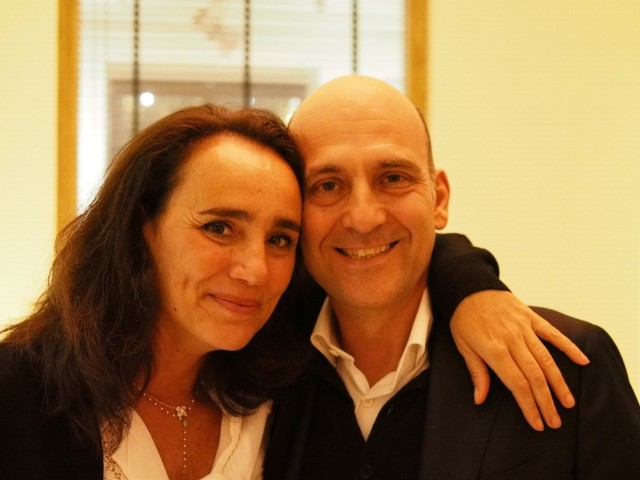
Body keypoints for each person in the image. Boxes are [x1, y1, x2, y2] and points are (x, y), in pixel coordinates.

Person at [0, 103, 593, 479]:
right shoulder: (21, 392)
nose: (254, 270)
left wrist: (470, 287)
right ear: (142, 228)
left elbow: (385, 248)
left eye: (280, 238)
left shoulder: (271, 376)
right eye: (219, 227)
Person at [263, 75, 640, 479]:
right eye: (327, 185)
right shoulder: (256, 369)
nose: (364, 218)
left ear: (439, 199)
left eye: (393, 178)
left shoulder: (567, 365)